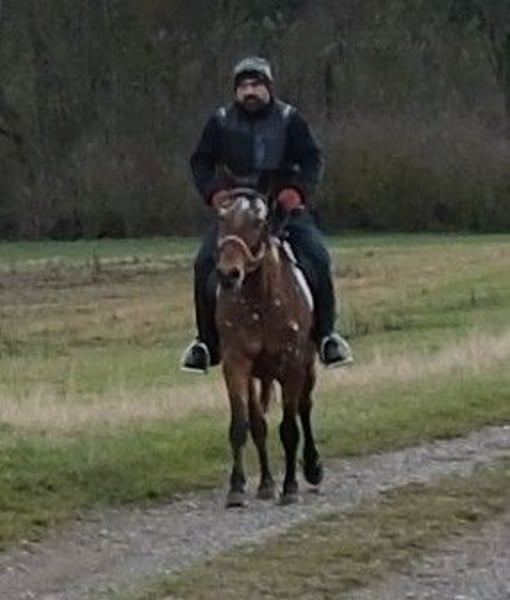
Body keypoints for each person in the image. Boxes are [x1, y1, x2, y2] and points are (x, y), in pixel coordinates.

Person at [181, 56, 353, 373]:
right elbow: (200, 162)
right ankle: (206, 343)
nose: (250, 91)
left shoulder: (290, 119)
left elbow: (313, 159)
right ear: (236, 90)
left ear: (269, 88)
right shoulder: (220, 121)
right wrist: (214, 193)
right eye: (243, 86)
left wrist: (296, 191)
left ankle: (326, 336)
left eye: (256, 84)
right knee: (204, 263)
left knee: (317, 257)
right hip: (236, 216)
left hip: (282, 211)